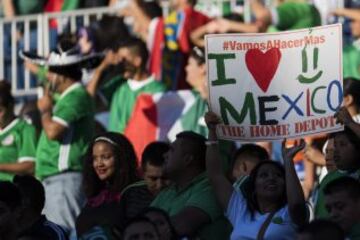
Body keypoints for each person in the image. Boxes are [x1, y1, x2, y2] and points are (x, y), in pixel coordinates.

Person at [205, 111, 308, 239]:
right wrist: (212, 132)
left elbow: (297, 204)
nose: (271, 178)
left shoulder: (289, 214)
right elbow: (215, 175)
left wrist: (288, 161)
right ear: (253, 185)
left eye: (278, 175)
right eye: (264, 175)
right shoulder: (240, 211)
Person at [24, 49, 96, 232]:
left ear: (62, 75)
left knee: (63, 233)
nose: (48, 77)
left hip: (64, 181)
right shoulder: (68, 96)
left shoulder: (76, 95)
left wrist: (45, 111)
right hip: (56, 182)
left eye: (51, 72)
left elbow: (53, 132)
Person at [151, 131, 230, 239]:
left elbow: (180, 226)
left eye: (172, 150)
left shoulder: (210, 189)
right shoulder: (167, 192)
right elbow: (143, 222)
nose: (165, 155)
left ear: (187, 159)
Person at [87, 37, 165, 133]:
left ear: (137, 61)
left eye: (124, 59)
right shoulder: (119, 84)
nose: (120, 63)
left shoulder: (157, 90)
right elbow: (89, 101)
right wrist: (100, 69)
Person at [76, 132, 138, 236]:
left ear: (121, 157)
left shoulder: (134, 195)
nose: (99, 164)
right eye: (95, 158)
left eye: (105, 157)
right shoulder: (93, 199)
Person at [116, 141, 169, 231]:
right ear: (142, 173)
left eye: (165, 178)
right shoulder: (130, 194)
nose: (159, 185)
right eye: (153, 179)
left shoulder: (183, 193)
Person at [0, 81, 37, 181]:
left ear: (11, 106)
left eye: (0, 111)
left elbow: (30, 166)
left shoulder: (24, 129)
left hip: (11, 191)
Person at [13, 175, 68, 240]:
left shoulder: (52, 233)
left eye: (13, 196)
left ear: (25, 201)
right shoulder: (9, 231)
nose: (9, 201)